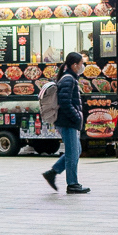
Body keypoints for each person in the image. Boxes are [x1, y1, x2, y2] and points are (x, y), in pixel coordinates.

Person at [43, 51, 89, 194]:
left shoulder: (69, 78)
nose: (83, 66)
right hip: (68, 122)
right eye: (81, 64)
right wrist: (76, 117)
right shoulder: (68, 79)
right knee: (72, 154)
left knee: (76, 151)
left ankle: (52, 173)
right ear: (74, 65)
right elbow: (65, 102)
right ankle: (72, 184)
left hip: (68, 121)